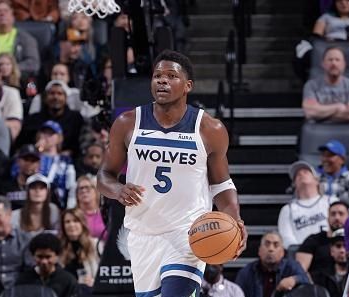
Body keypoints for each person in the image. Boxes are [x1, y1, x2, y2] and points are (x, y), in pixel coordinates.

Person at [97, 50, 247, 296]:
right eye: (157, 76)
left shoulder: (210, 128)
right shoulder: (127, 122)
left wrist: (235, 219)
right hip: (142, 234)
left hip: (188, 233)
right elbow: (105, 175)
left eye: (171, 76)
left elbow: (221, 184)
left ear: (187, 86)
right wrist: (117, 189)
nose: (162, 80)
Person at [278, 160, 337, 249]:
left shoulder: (332, 201)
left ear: (316, 180)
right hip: (302, 256)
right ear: (294, 184)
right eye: (297, 175)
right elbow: (287, 238)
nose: (301, 175)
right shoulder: (287, 210)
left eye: (305, 172)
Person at [17, 80, 85, 157]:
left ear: (66, 98)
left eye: (60, 94)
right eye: (52, 93)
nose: (55, 97)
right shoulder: (33, 119)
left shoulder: (76, 119)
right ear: (45, 98)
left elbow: (80, 145)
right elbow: (22, 145)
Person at [0, 0, 40, 77]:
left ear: (13, 17)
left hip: (17, 80)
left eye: (6, 11)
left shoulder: (26, 39)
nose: (2, 14)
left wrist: (10, 69)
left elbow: (33, 64)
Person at [235, 231, 310, 297]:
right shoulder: (247, 272)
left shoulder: (292, 266)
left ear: (282, 252)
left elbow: (306, 280)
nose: (271, 249)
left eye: (276, 245)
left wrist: (294, 279)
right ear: (259, 251)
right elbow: (236, 293)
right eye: (267, 244)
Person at [302, 46, 349, 123]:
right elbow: (310, 112)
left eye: (337, 60)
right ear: (323, 64)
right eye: (330, 60)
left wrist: (320, 112)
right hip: (318, 131)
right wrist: (338, 107)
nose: (334, 63)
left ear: (344, 64)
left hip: (346, 130)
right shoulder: (311, 85)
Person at [15, 232, 78, 297]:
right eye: (40, 257)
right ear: (33, 256)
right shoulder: (23, 280)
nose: (44, 261)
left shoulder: (68, 281)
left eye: (48, 257)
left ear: (57, 256)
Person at [296, 200, 349, 274]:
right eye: (333, 214)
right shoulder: (313, 240)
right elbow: (300, 272)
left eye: (341, 214)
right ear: (327, 218)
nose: (337, 217)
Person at [35, 121, 77, 209]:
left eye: (51, 133)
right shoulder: (31, 156)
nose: (46, 136)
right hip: (35, 200)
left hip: (58, 205)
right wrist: (37, 151)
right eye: (44, 132)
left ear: (59, 138)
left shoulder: (65, 160)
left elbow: (70, 185)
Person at [59, 208, 101, 288]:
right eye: (67, 222)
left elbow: (104, 273)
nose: (71, 225)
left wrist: (95, 282)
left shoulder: (96, 245)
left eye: (76, 221)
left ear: (82, 223)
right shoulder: (59, 246)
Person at [317, 139, 349, 210]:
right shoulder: (314, 178)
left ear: (342, 160)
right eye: (323, 155)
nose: (325, 159)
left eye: (330, 155)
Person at [0, 144, 41, 209]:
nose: (29, 164)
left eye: (33, 161)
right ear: (18, 161)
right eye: (26, 159)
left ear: (39, 164)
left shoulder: (45, 188)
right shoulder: (4, 187)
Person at [311, 228, 348, 297]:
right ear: (331, 250)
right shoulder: (321, 276)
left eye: (346, 246)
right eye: (338, 246)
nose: (342, 250)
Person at [76, 175, 108, 240]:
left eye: (87, 187)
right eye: (80, 188)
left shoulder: (106, 213)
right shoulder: (74, 215)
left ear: (96, 191)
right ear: (76, 194)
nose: (84, 191)